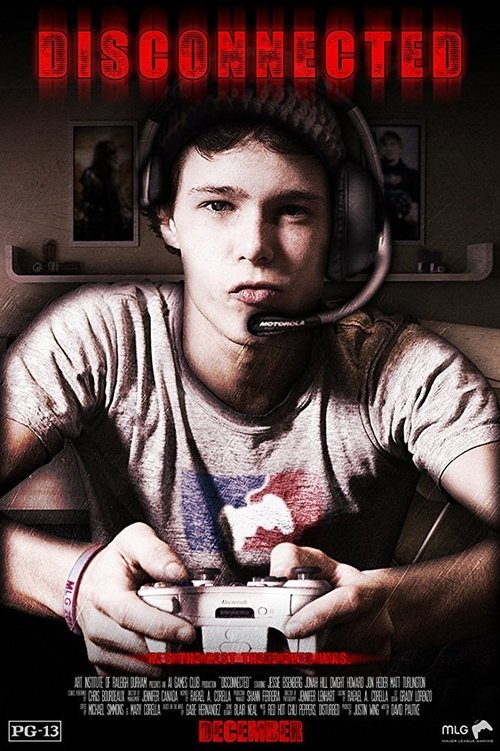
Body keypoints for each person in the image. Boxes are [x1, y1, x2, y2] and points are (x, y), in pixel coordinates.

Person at [0, 87, 498, 680]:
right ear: (168, 217)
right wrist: (73, 584)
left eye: (294, 210)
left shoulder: (397, 367)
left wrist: (398, 612)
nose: (255, 248)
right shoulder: (100, 337)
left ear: (342, 232)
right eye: (218, 204)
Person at [378, 129, 420, 241]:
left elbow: (415, 207)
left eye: (392, 144)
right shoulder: (373, 173)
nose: (389, 148)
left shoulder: (412, 175)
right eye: (385, 144)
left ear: (400, 147)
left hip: (403, 231)